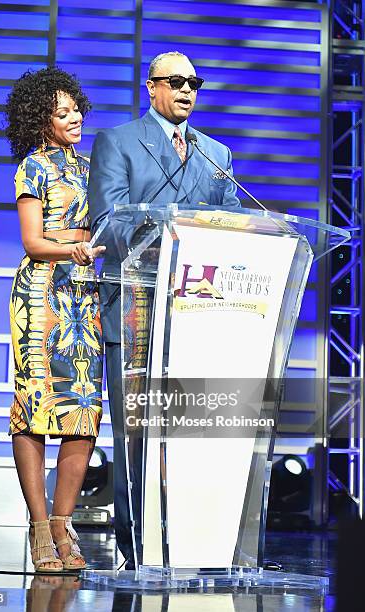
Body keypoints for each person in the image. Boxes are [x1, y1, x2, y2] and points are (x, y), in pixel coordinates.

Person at [88, 51, 241, 568]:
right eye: (176, 81)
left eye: (194, 82)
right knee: (137, 431)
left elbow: (235, 228)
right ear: (150, 87)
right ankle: (137, 547)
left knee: (189, 427)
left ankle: (196, 542)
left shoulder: (214, 152)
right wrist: (167, 229)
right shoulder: (119, 141)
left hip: (198, 310)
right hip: (136, 302)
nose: (187, 90)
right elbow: (107, 222)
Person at [5, 67, 105, 573]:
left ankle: (65, 527)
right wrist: (77, 246)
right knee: (38, 408)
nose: (75, 118)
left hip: (85, 296)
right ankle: (40, 528)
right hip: (42, 297)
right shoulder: (32, 168)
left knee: (84, 411)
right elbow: (33, 241)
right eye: (62, 113)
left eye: (77, 109)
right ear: (39, 120)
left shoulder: (92, 168)